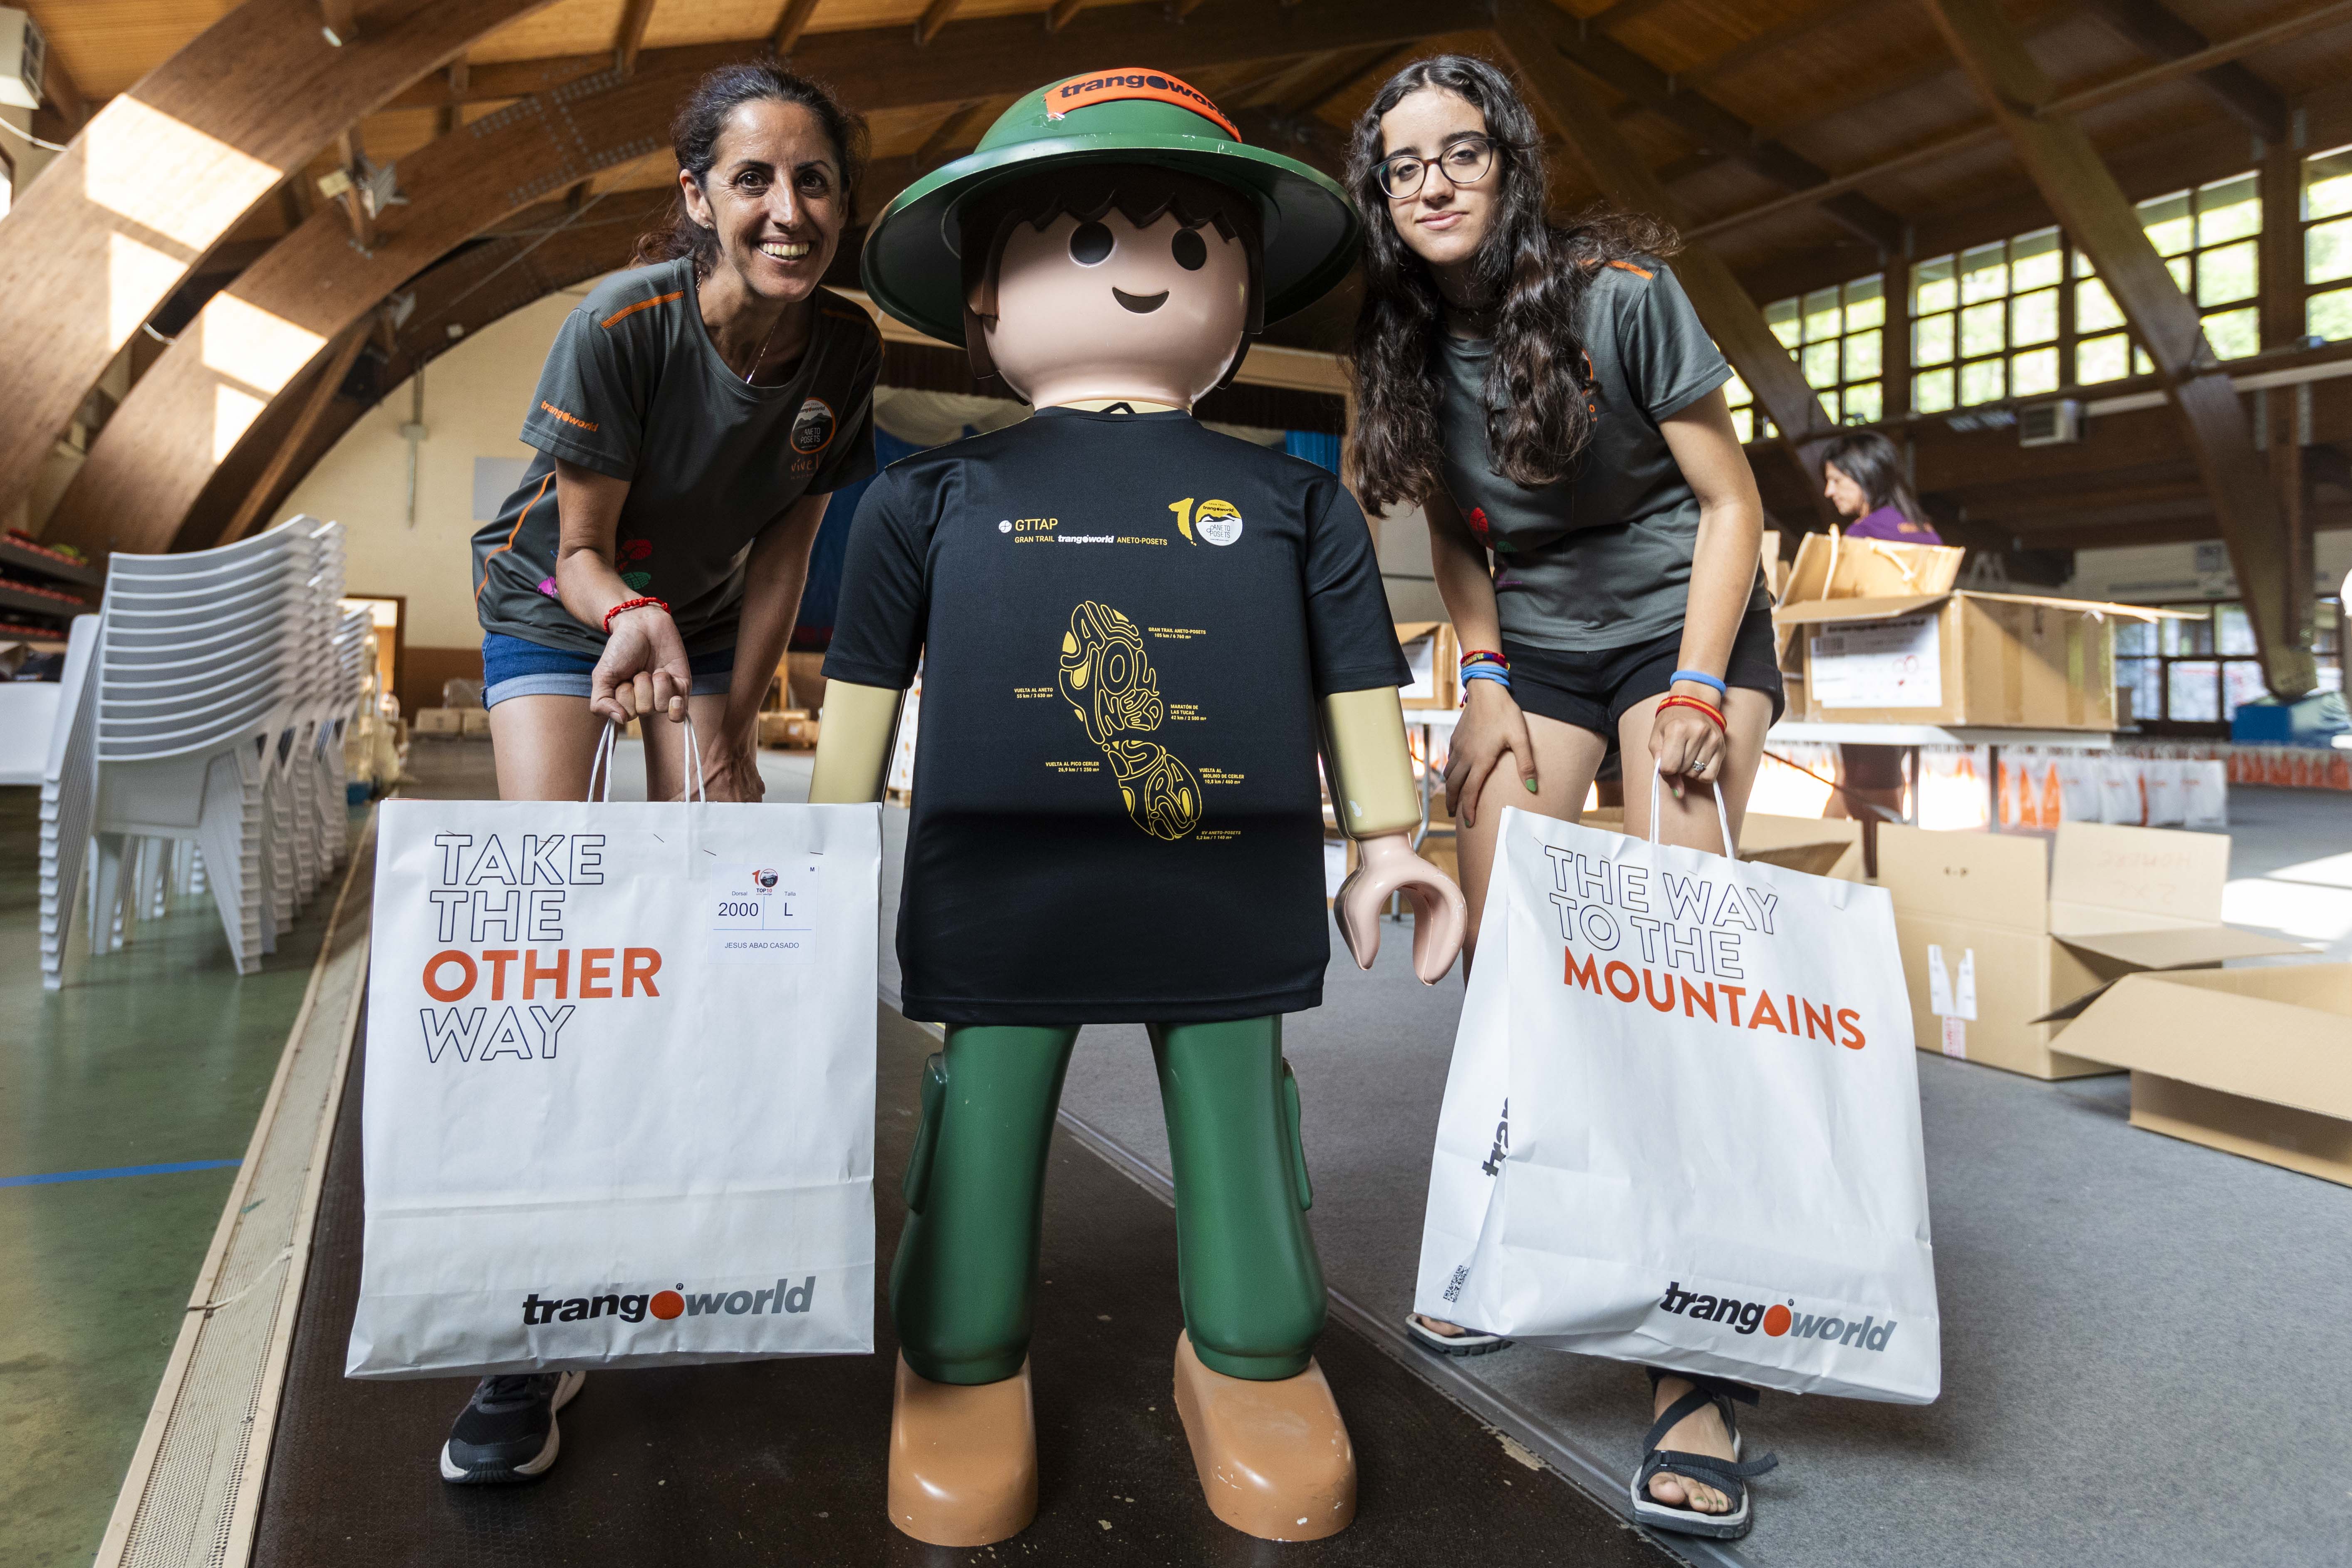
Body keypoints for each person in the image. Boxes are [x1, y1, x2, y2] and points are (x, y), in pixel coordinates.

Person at [814, 70, 1463, 1546]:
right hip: (996, 883)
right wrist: (803, 862)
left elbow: (1356, 677)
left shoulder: (1300, 505)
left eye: (1187, 247)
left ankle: (1249, 1350)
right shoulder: (928, 501)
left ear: (1238, 289)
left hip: (1225, 882)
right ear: (986, 296)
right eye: (1090, 243)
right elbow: (859, 693)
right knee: (983, 1117)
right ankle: (963, 1360)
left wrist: (1386, 843)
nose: (1145, 272)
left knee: (1235, 1115)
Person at [1346, 55, 1784, 1540]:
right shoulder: (1400, 332)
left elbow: (1735, 502)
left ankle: (1697, 1366)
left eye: (1461, 153)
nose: (1437, 183)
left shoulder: (1617, 291)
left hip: (1688, 629)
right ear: (1383, 196)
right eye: (1406, 166)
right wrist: (1476, 673)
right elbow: (1461, 530)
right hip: (1532, 642)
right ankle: (1535, 1241)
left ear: (1508, 162)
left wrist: (1703, 691)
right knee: (1510, 943)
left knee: (1672, 975)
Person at [447, 61, 880, 1483]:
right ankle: (530, 1326)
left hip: (697, 616)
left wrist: (736, 723)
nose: (787, 207)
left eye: (813, 178)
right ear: (697, 195)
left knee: (721, 897)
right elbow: (582, 550)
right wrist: (623, 618)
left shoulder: (846, 349)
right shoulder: (618, 324)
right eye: (753, 178)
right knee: (560, 918)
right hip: (559, 601)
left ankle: (709, 1209)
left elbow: (784, 551)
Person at [1821, 428, 1941, 543]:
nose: (1829, 492)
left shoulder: (1862, 533)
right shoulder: (1926, 531)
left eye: (1837, 480)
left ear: (1868, 476)